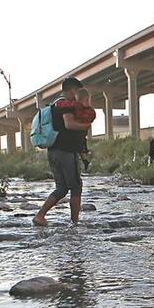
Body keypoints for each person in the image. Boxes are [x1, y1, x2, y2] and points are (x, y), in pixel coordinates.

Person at [33, 77, 93, 226]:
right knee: (76, 186)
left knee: (61, 188)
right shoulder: (65, 105)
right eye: (78, 92)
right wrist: (86, 126)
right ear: (73, 90)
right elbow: (69, 124)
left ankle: (40, 216)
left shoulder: (55, 105)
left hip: (54, 151)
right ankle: (75, 222)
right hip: (65, 151)